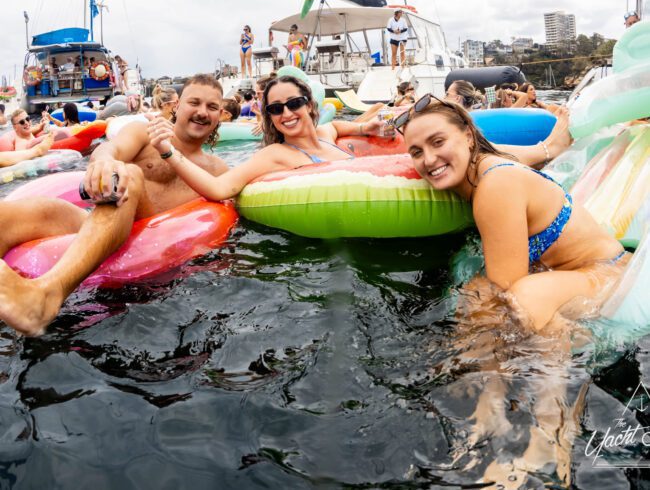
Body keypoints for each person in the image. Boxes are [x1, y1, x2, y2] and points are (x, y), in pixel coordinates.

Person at [397, 95, 635, 484]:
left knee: (519, 299)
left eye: (438, 143)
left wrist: (481, 370)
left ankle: (552, 430)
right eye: (416, 151)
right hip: (567, 270)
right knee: (474, 293)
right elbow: (536, 155)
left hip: (606, 274)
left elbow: (506, 294)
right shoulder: (487, 163)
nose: (428, 159)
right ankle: (489, 406)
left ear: (469, 137)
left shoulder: (495, 184)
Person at [0, 74, 229, 336]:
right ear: (177, 106)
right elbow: (110, 149)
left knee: (129, 174)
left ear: (221, 114)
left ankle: (45, 297)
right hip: (102, 222)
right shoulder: (144, 132)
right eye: (194, 103)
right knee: (15, 214)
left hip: (148, 247)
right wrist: (105, 163)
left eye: (211, 107)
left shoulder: (218, 170)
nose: (202, 112)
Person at [146, 75, 391, 201]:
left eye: (294, 103)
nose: (286, 113)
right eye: (275, 109)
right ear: (270, 116)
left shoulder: (325, 134)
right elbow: (219, 188)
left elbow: (336, 126)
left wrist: (364, 128)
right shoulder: (276, 154)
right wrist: (169, 153)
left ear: (310, 105)